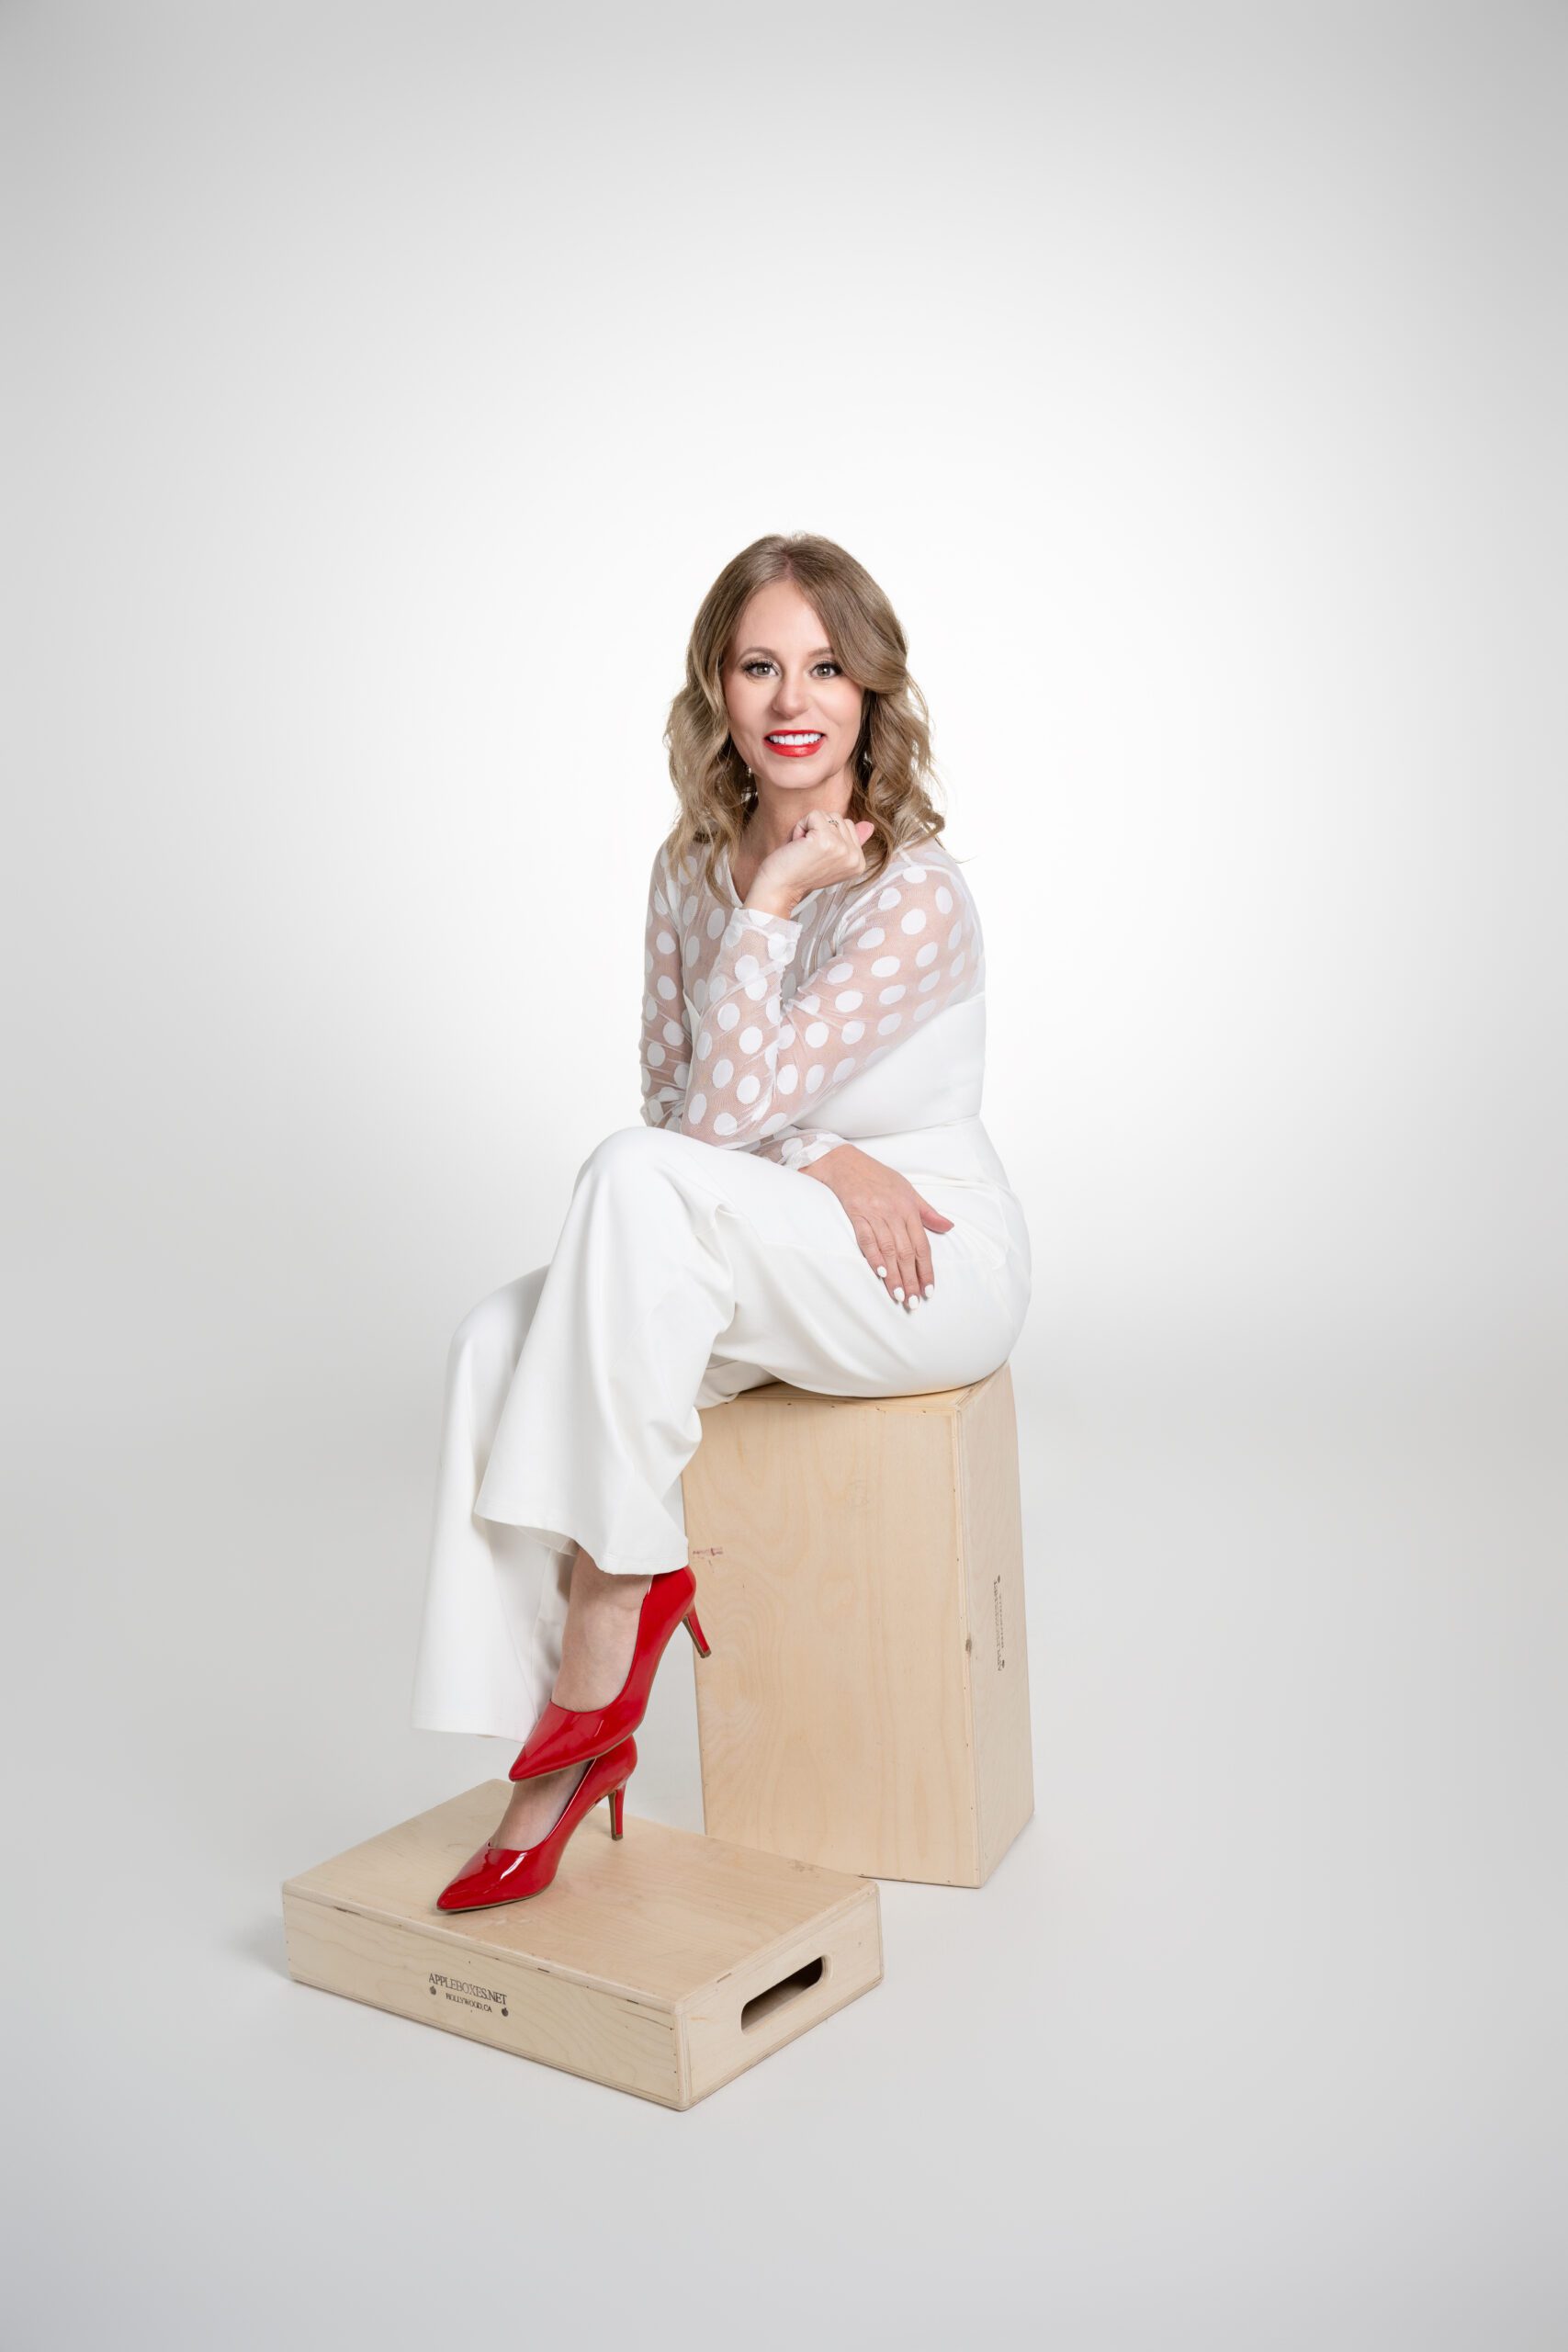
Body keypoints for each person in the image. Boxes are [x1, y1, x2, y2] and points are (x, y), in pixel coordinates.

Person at [412, 531, 1032, 1911]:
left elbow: (691, 1132)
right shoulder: (688, 865)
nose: (793, 697)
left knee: (630, 1180)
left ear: (872, 693)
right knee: (496, 1335)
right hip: (783, 1223)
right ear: (718, 685)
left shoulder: (916, 892)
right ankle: (543, 1758)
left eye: (825, 666)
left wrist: (772, 907)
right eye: (760, 664)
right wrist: (818, 1155)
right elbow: (682, 1103)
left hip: (923, 1255)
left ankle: (608, 1618)